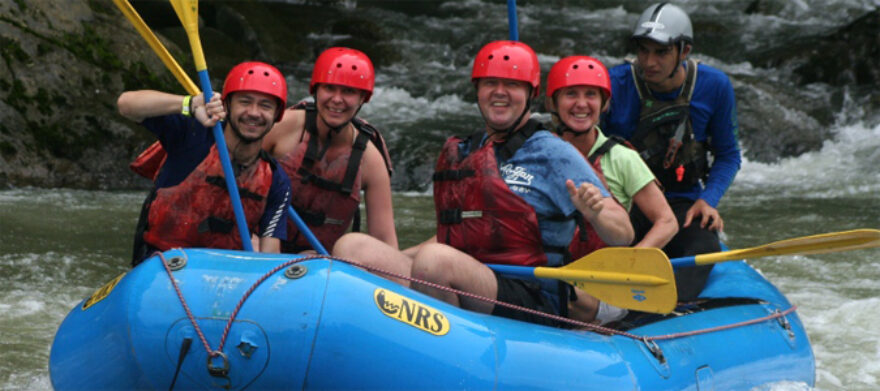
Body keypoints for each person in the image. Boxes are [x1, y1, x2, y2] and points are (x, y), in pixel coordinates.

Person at [334, 41, 634, 326]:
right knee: (353, 247)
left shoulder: (554, 153)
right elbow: (455, 237)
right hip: (464, 279)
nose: (499, 93)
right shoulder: (465, 151)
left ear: (530, 94)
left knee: (436, 263)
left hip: (531, 295)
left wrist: (596, 213)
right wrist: (397, 261)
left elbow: (623, 234)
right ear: (477, 90)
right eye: (491, 84)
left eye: (512, 85)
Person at [601, 3, 742, 300]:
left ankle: (662, 308)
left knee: (703, 249)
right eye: (643, 50)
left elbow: (728, 155)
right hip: (625, 202)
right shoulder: (613, 83)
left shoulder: (715, 87)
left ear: (684, 51)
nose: (649, 62)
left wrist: (708, 199)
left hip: (682, 205)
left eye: (661, 52)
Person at [119, 61, 292, 266]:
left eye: (265, 105)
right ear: (226, 105)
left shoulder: (276, 180)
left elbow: (270, 255)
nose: (254, 112)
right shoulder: (193, 135)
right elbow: (126, 105)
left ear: (277, 115)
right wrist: (189, 104)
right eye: (245, 102)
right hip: (160, 266)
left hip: (221, 276)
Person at [262, 47, 396, 254]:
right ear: (315, 90)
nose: (336, 99)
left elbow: (385, 245)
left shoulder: (370, 160)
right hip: (261, 246)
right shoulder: (281, 127)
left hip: (322, 264)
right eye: (329, 88)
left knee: (355, 246)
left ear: (363, 98)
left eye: (348, 92)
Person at [545, 55, 677, 258]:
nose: (581, 104)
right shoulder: (538, 153)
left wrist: (633, 259)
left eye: (591, 95)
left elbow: (667, 221)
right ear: (553, 103)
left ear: (604, 104)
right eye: (571, 94)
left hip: (603, 269)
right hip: (549, 266)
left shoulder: (621, 158)